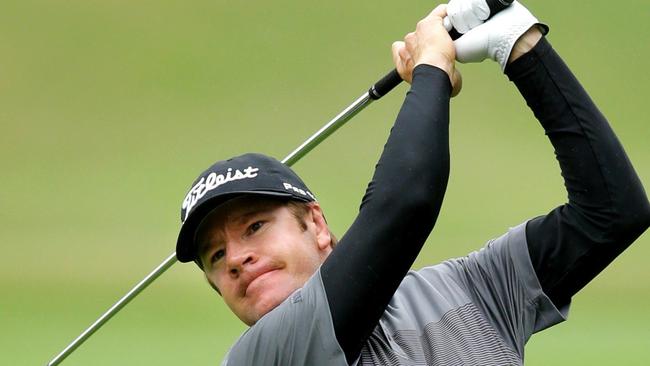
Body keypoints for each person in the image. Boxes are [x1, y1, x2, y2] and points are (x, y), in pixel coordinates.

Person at [175, 1, 650, 365]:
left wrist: (518, 45)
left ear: (316, 224)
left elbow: (611, 214)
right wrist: (431, 70)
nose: (236, 258)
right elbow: (405, 205)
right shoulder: (264, 356)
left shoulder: (470, 288)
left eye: (254, 227)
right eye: (215, 256)